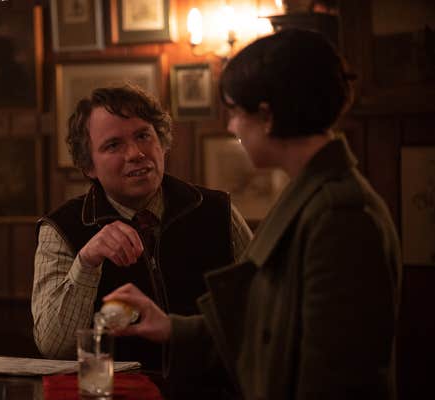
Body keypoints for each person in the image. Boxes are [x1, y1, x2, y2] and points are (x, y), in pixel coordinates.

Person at [104, 29, 401, 399]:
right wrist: (171, 327)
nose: (231, 128)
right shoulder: (311, 196)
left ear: (266, 116)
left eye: (233, 112)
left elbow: (337, 376)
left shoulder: (340, 214)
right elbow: (270, 324)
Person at [31, 85, 252, 371]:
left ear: (162, 143)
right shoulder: (61, 228)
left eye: (143, 136)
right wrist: (87, 262)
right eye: (113, 145)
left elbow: (267, 309)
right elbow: (53, 347)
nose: (136, 153)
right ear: (89, 167)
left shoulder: (216, 210)